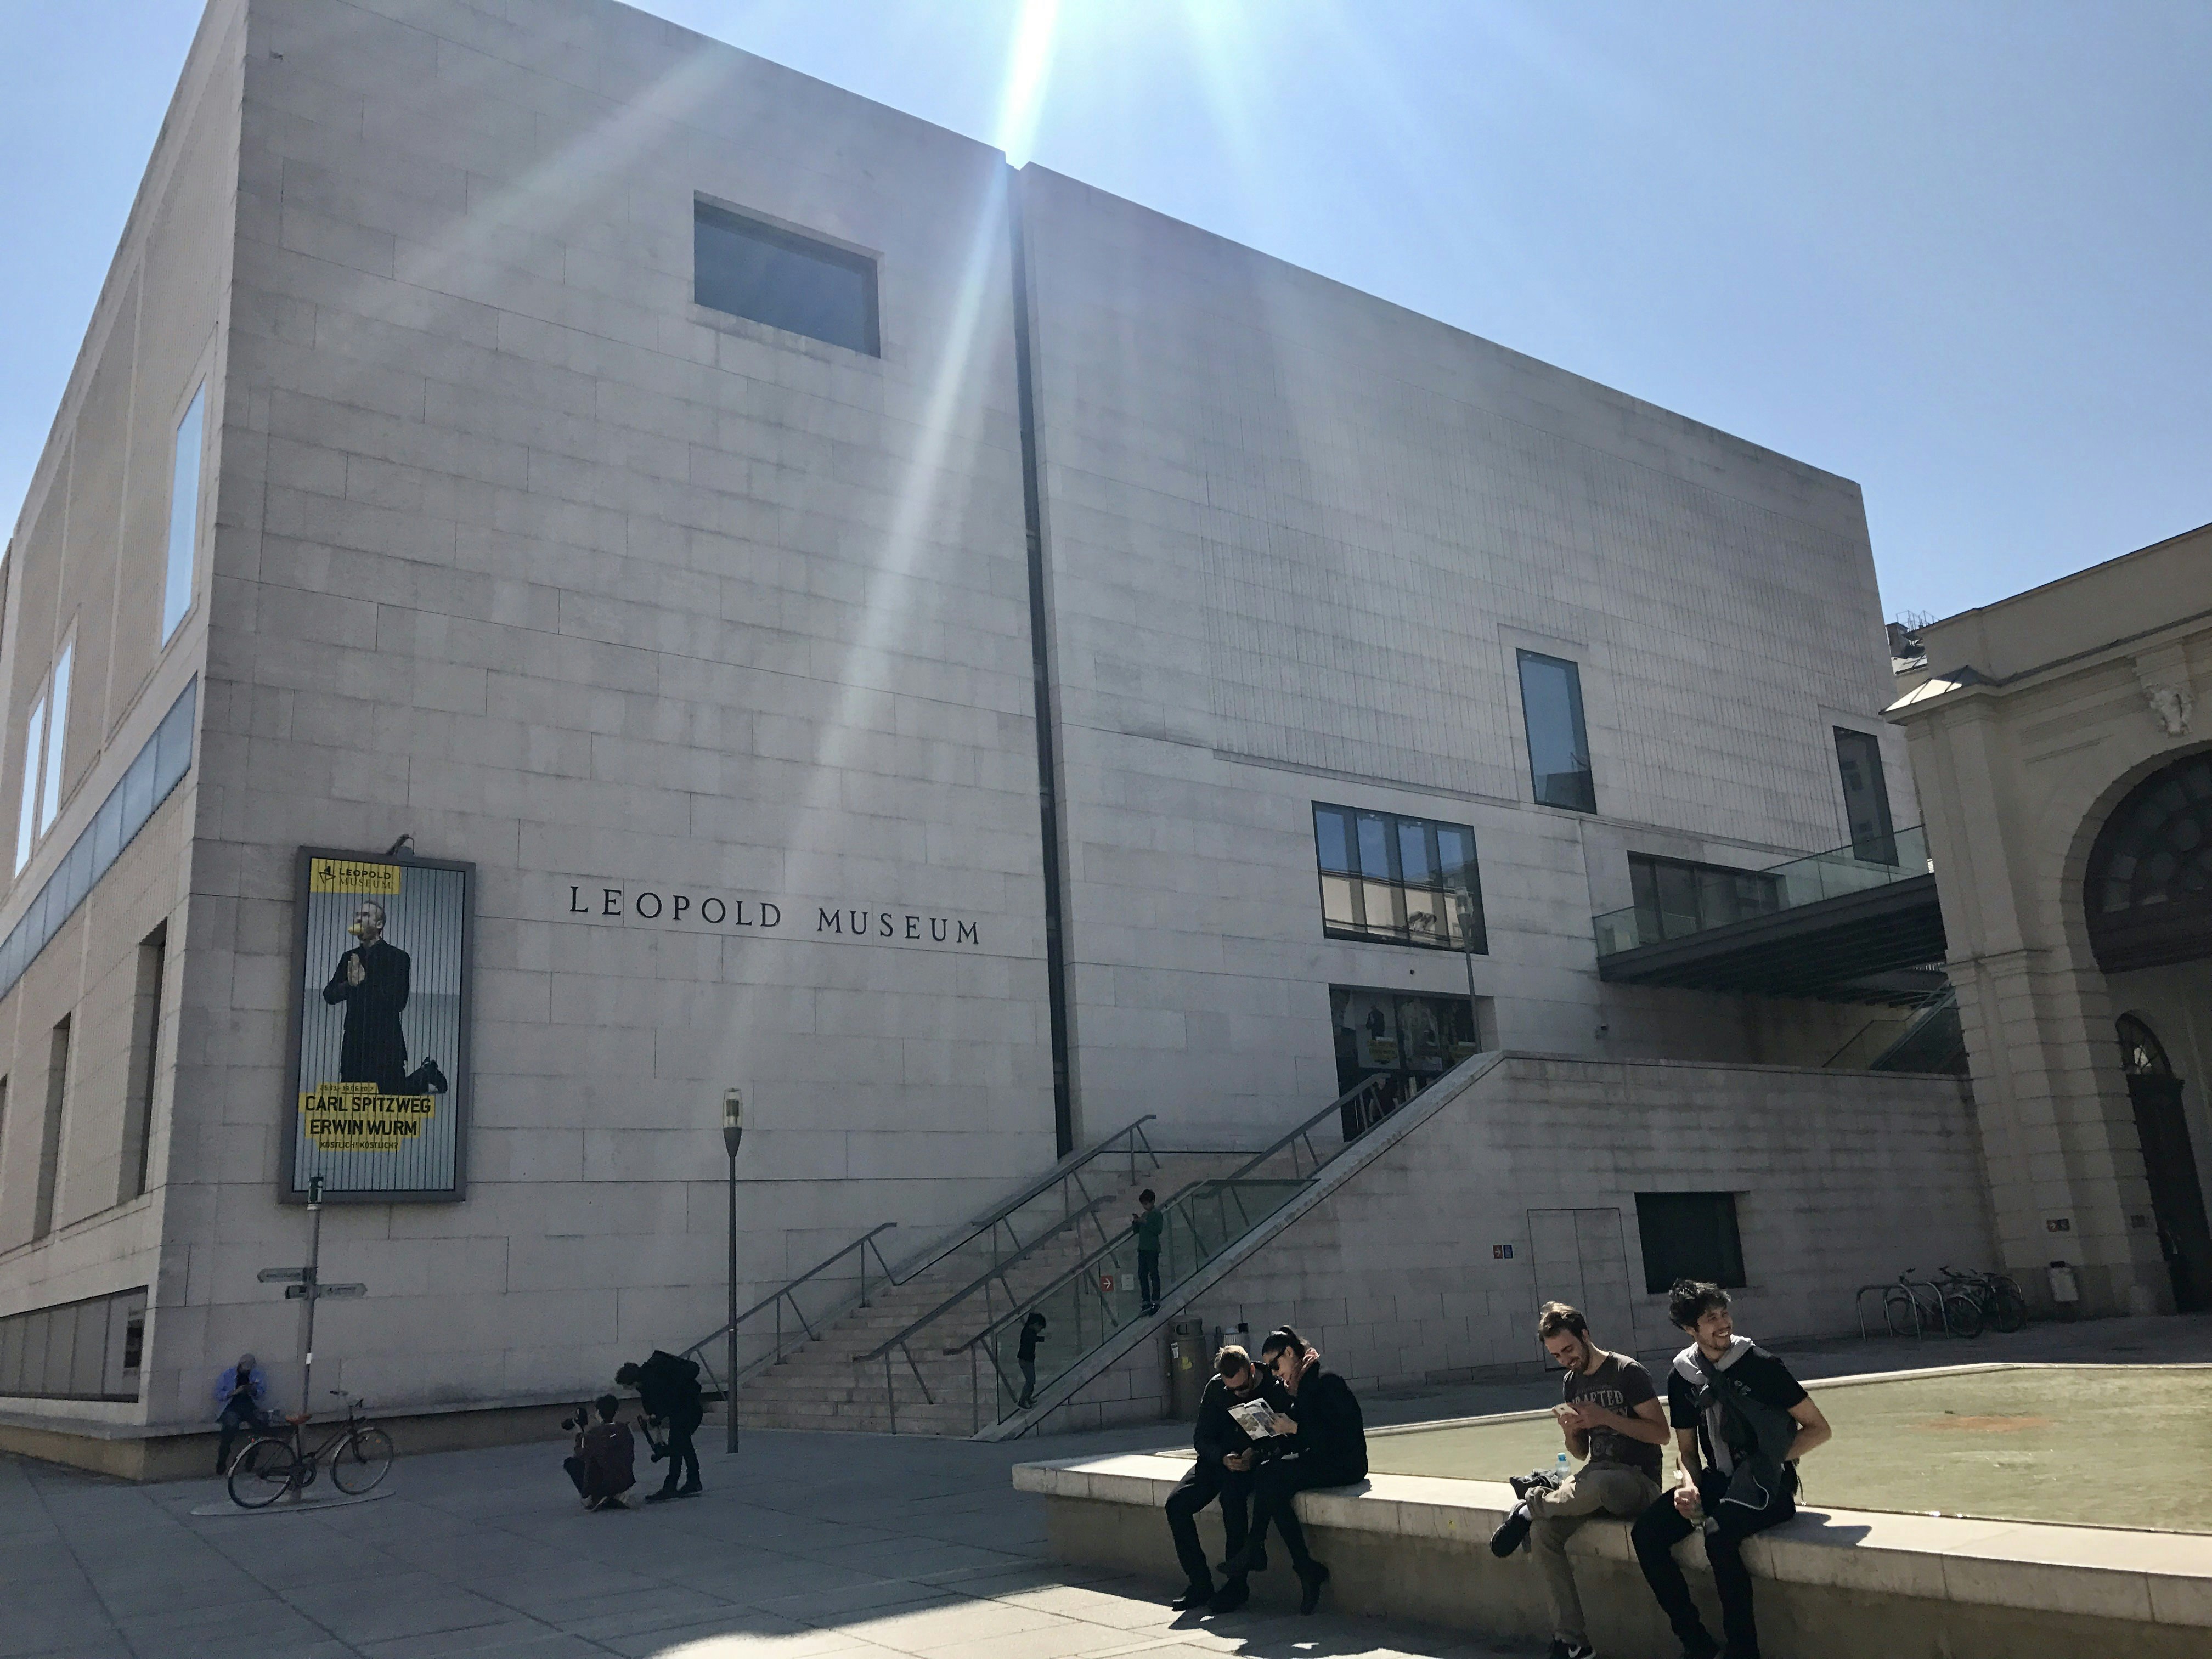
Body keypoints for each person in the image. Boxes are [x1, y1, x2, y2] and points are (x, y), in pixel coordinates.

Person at [1631, 1281, 1832, 1659]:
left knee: (1718, 1535)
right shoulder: (1683, 1375)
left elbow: (1819, 1429)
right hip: (1718, 1481)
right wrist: (1687, 1487)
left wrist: (1766, 1462)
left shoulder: (1761, 1365)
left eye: (1725, 1314)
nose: (1722, 1324)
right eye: (1711, 1319)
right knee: (1646, 1533)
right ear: (1691, 1329)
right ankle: (1697, 1644)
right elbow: (1687, 1451)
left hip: (1768, 1487)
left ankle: (1744, 1651)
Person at [1488, 1303, 1669, 1659]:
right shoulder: (1572, 1383)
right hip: (1592, 1480)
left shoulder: (1627, 1372)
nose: (1565, 1360)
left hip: (1636, 1483)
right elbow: (1581, 1453)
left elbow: (1661, 1434)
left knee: (1599, 1484)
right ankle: (1572, 1642)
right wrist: (1571, 1433)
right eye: (1556, 1355)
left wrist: (1606, 1417)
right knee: (1544, 1534)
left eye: (1569, 1350)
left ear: (1585, 1336)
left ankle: (1530, 1505)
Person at [1217, 1326, 1367, 1616]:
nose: (1275, 1373)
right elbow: (1304, 1439)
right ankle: (1300, 1566)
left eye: (1276, 1365)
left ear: (1290, 1354)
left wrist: (1295, 1427)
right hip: (1324, 1459)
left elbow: (1341, 1437)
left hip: (1346, 1464)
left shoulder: (1326, 1381)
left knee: (1271, 1478)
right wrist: (1271, 1435)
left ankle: (1258, 1550)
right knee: (1267, 1476)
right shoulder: (1298, 1387)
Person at [1163, 1344, 1290, 1613]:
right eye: (1230, 1390)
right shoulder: (1215, 1389)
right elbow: (1201, 1438)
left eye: (1242, 1388)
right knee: (1176, 1505)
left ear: (1252, 1370)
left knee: (1232, 1501)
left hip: (1253, 1464)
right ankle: (1199, 1583)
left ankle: (1237, 1585)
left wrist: (1255, 1454)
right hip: (1218, 1462)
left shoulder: (1272, 1384)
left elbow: (1284, 1440)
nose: (1237, 1394)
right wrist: (1222, 1457)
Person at [321, 899, 410, 1096]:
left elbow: (398, 1002)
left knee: (391, 1102)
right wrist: (349, 985)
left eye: (366, 915)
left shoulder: (398, 957)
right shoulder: (349, 957)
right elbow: (329, 994)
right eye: (357, 915)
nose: (359, 918)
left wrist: (364, 983)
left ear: (379, 925)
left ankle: (423, 1076)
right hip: (354, 1046)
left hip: (386, 1046)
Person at [617, 1349, 704, 1500]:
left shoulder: (653, 1379)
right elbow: (655, 1411)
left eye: (625, 1385)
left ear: (631, 1381)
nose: (626, 1389)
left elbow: (664, 1404)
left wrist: (657, 1421)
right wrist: (657, 1431)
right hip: (684, 1409)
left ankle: (672, 1486)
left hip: (688, 1409)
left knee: (678, 1446)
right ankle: (692, 1481)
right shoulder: (645, 1383)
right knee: (682, 1445)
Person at [564, 1395, 637, 1510]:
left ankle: (595, 1496)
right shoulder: (625, 1430)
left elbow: (580, 1454)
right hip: (624, 1481)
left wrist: (580, 1433)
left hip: (604, 1483)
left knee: (571, 1463)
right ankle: (618, 1494)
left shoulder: (594, 1434)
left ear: (598, 1413)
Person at [212, 1352, 272, 1474]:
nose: (247, 1372)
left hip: (249, 1406)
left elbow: (262, 1393)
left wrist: (253, 1390)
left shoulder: (257, 1374)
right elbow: (218, 1394)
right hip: (231, 1406)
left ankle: (252, 1456)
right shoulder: (228, 1374)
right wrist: (233, 1393)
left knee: (261, 1423)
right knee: (230, 1426)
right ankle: (222, 1460)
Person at [1132, 1190, 1164, 1313]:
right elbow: (1137, 1231)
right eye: (1143, 1205)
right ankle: (1146, 1301)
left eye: (1146, 1204)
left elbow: (1158, 1230)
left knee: (1154, 1274)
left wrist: (1146, 1223)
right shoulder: (1145, 1215)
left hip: (1152, 1249)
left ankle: (1155, 1300)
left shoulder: (1156, 1214)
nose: (1145, 1207)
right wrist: (1136, 1222)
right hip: (1143, 1249)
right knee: (1142, 1275)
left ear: (1152, 1202)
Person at [1015, 1311, 1048, 1409]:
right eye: (1040, 1328)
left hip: (1028, 1360)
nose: (1040, 1330)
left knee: (1031, 1381)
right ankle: (1022, 1401)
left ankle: (1028, 1398)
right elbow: (1033, 1339)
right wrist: (1043, 1339)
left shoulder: (1029, 1331)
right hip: (1025, 1360)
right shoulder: (1028, 1332)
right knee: (1030, 1382)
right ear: (1035, 1325)